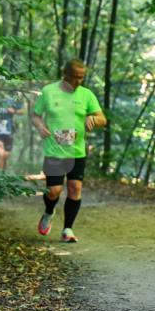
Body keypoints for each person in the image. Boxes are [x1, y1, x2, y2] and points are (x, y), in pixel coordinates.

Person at [30, 58, 107, 243]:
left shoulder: (86, 95)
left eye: (82, 77)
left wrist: (93, 119)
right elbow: (35, 115)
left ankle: (68, 229)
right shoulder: (48, 92)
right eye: (75, 77)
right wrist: (40, 126)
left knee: (75, 188)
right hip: (54, 151)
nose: (79, 81)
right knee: (54, 191)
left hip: (77, 151)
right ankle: (49, 211)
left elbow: (102, 118)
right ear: (65, 74)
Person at [0, 93, 25, 170]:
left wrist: (14, 111)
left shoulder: (11, 99)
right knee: (1, 153)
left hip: (8, 132)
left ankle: (3, 175)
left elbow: (23, 111)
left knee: (5, 156)